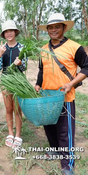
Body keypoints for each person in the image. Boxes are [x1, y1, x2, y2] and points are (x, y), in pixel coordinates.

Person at [35, 13, 88, 175]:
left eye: (57, 26)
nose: (53, 30)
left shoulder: (74, 47)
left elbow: (86, 67)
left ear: (64, 28)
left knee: (65, 131)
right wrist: (38, 84)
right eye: (50, 27)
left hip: (65, 97)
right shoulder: (43, 49)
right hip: (47, 97)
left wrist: (71, 83)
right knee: (49, 126)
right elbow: (42, 70)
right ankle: (56, 150)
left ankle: (67, 164)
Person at [0, 20, 27, 149]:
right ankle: (10, 133)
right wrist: (0, 55)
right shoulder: (1, 48)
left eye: (11, 31)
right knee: (8, 108)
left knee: (17, 109)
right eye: (6, 31)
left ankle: (18, 135)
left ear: (15, 32)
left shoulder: (22, 47)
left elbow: (24, 67)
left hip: (18, 81)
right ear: (4, 34)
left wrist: (20, 64)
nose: (9, 33)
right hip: (6, 81)